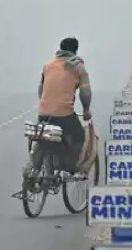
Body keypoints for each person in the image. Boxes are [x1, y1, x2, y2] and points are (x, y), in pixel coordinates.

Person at [23, 37, 92, 178]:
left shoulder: (48, 65)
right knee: (79, 137)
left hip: (44, 113)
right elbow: (85, 93)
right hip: (63, 114)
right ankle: (76, 171)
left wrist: (46, 105)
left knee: (43, 137)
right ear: (75, 50)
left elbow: (41, 90)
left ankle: (33, 169)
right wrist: (86, 111)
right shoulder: (78, 66)